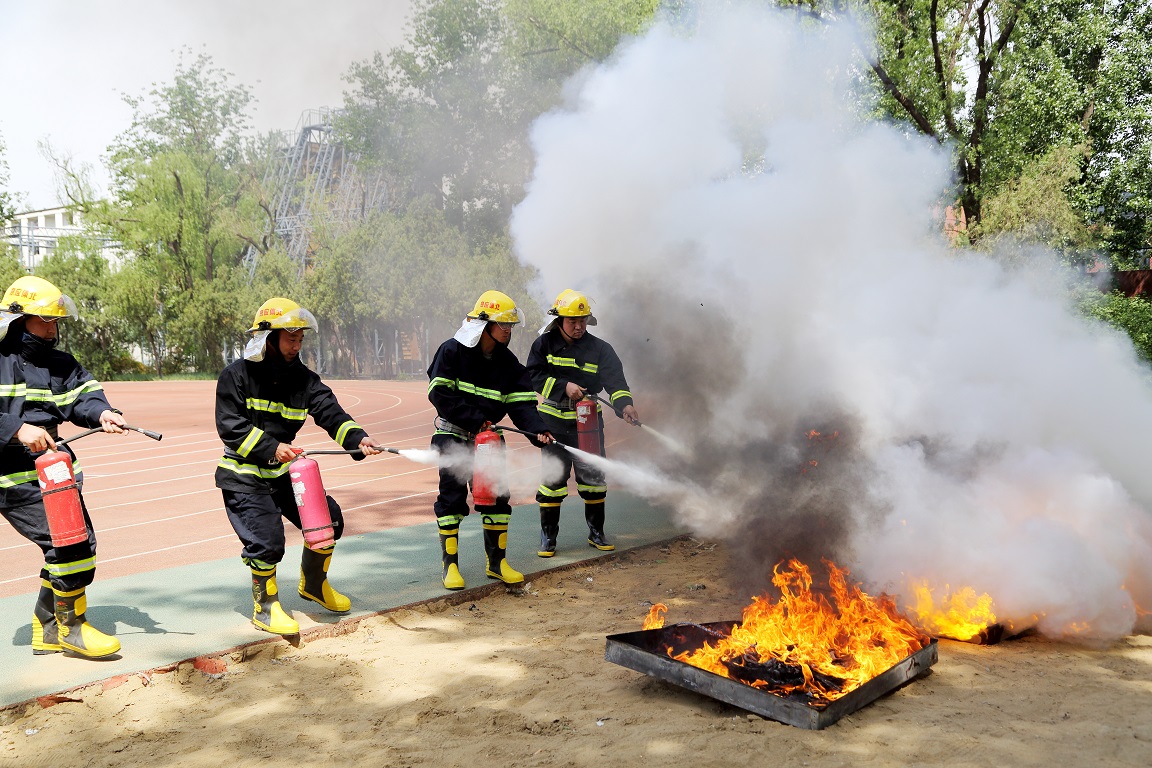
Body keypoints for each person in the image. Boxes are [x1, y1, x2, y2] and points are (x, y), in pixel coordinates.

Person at [215, 297, 384, 635]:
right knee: (268, 541)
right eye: (290, 337)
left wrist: (358, 439)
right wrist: (271, 447)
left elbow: (331, 412)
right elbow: (230, 427)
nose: (297, 345)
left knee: (330, 522)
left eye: (300, 338)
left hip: (283, 474)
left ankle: (314, 584)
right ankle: (265, 608)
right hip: (244, 476)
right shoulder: (236, 376)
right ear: (268, 338)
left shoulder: (305, 380)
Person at [0, 275, 129, 659]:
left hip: (51, 473)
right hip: (9, 477)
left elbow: (83, 395)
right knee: (69, 546)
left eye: (56, 321)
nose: (53, 329)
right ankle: (68, 628)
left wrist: (104, 412)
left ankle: (49, 627)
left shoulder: (60, 363)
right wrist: (15, 428)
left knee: (74, 545)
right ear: (19, 319)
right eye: (45, 321)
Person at [427, 290, 553, 591]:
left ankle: (497, 564)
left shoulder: (509, 364)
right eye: (503, 325)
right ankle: (451, 567)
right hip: (453, 437)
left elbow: (522, 406)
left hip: (489, 443)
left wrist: (539, 429)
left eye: (511, 325)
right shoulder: (451, 351)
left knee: (497, 500)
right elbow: (439, 393)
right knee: (452, 501)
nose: (509, 331)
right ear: (484, 324)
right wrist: (474, 419)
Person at [527, 289, 640, 557]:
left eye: (583, 320)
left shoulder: (601, 349)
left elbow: (616, 382)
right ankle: (548, 537)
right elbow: (533, 376)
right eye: (572, 321)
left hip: (588, 424)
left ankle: (596, 532)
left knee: (593, 479)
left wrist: (625, 404)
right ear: (559, 320)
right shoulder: (542, 345)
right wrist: (564, 387)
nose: (578, 327)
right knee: (553, 482)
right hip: (554, 423)